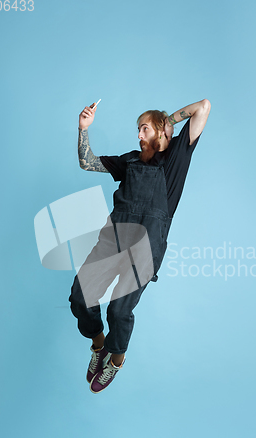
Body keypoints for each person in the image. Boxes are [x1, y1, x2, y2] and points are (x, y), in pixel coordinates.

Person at [69, 99, 211, 393]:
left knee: (119, 312)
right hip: (112, 240)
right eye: (138, 130)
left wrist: (167, 122)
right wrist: (83, 129)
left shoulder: (175, 160)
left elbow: (204, 107)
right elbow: (87, 162)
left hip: (146, 249)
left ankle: (116, 360)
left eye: (144, 129)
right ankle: (99, 347)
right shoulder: (129, 161)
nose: (138, 135)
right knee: (81, 298)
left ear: (159, 131)